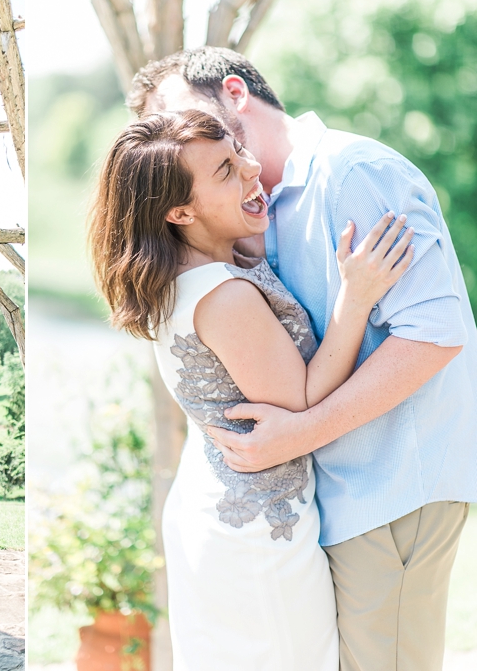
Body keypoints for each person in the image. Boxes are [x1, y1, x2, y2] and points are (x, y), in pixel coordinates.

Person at [126, 47, 477, 670]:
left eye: (182, 119)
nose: (180, 142)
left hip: (388, 484)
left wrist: (299, 433)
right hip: (313, 499)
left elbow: (436, 332)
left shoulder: (355, 173)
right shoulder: (246, 216)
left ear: (234, 93)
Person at [89, 108, 413, 669]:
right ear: (180, 211)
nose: (250, 167)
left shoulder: (184, 280)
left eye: (237, 149)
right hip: (258, 536)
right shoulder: (224, 296)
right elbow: (302, 401)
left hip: (221, 511)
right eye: (224, 169)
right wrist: (355, 298)